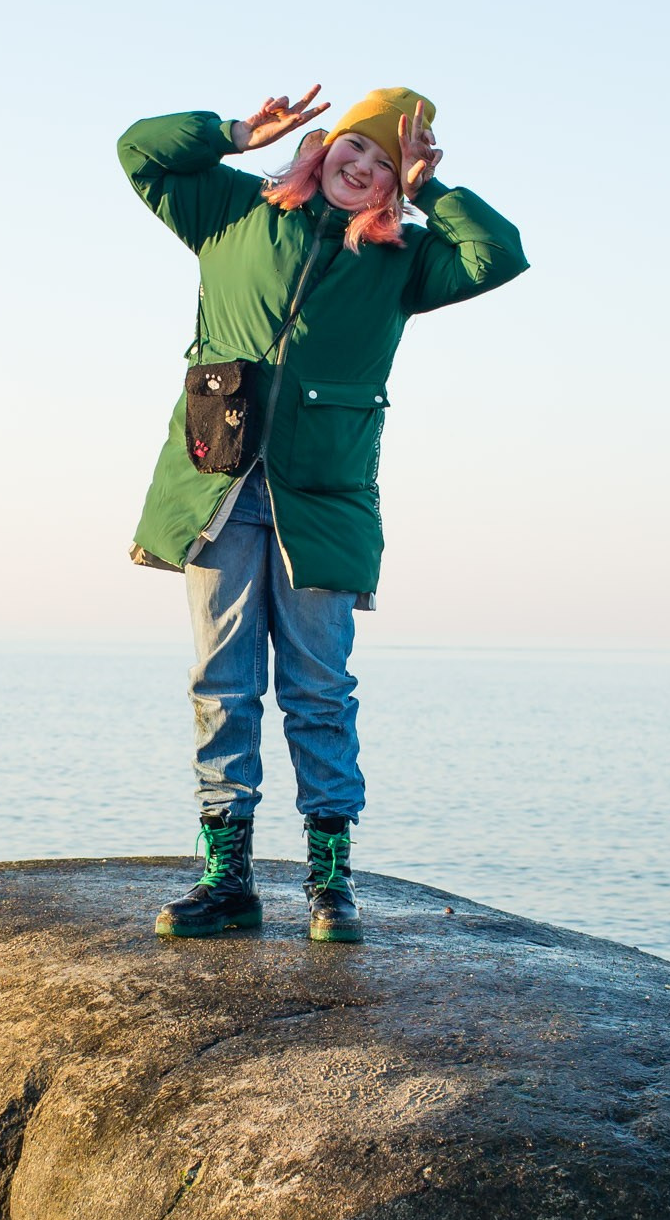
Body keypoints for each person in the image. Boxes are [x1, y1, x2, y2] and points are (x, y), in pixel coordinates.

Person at [118, 88, 528, 942]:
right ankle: (227, 879)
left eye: (385, 162)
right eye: (355, 147)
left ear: (397, 181)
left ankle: (329, 882)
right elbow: (139, 150)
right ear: (324, 146)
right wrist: (233, 134)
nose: (363, 167)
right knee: (222, 683)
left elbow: (499, 255)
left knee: (319, 690)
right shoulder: (234, 210)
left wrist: (431, 190)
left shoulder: (405, 260)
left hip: (325, 500)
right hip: (218, 485)